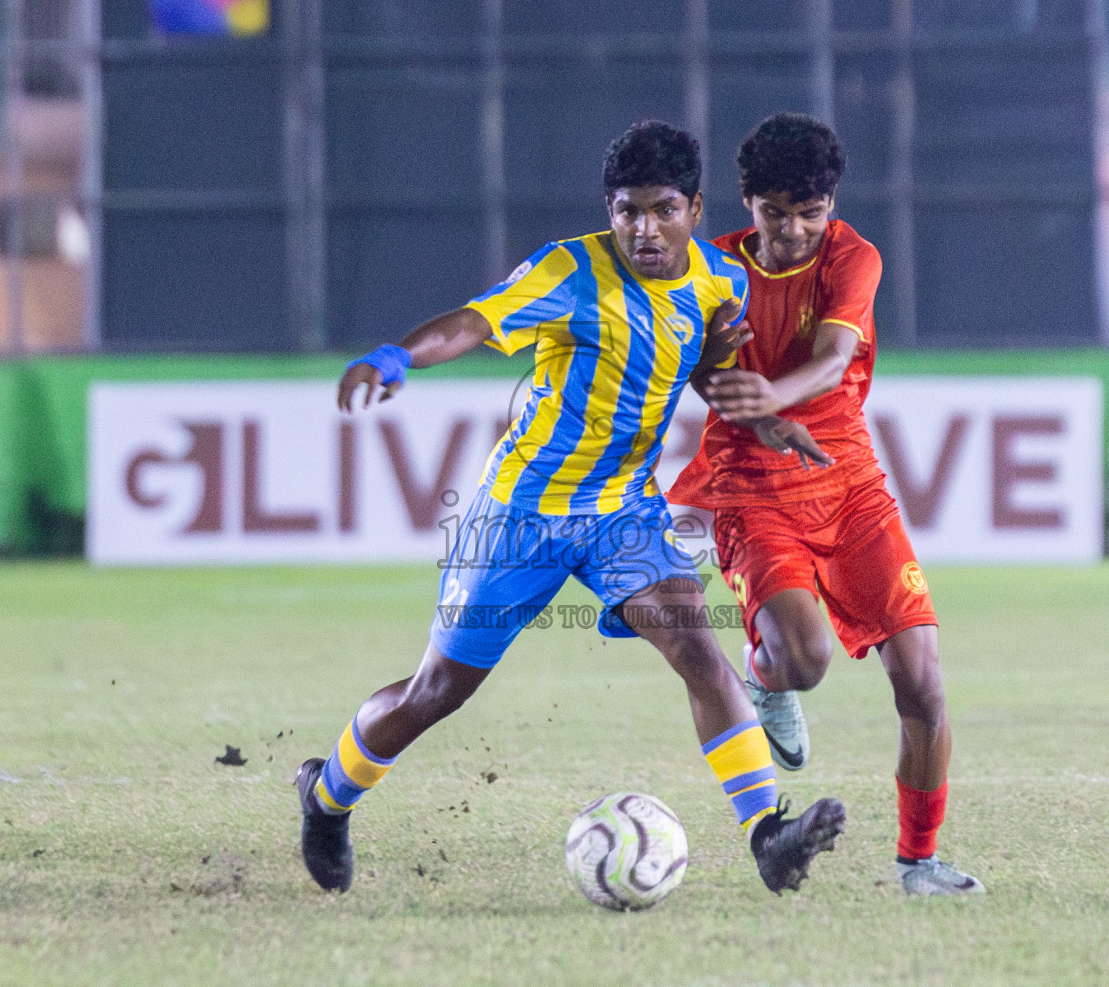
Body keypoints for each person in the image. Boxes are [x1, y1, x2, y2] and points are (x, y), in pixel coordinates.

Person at [298, 120, 846, 896]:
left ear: (694, 208)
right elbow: (472, 322)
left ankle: (767, 835)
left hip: (622, 511)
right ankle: (326, 797)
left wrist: (765, 419)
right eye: (626, 211)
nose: (642, 229)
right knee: (438, 692)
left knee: (698, 647)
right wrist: (396, 357)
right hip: (522, 516)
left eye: (661, 210)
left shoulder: (722, 281)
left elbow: (702, 368)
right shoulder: (569, 271)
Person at [668, 113, 985, 896]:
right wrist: (749, 410)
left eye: (812, 212)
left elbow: (835, 355)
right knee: (804, 664)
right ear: (748, 204)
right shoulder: (713, 271)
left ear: (830, 205)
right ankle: (766, 675)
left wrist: (770, 396)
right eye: (777, 214)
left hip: (850, 484)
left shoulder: (854, 256)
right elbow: (700, 367)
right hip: (753, 488)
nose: (796, 231)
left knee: (923, 682)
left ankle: (919, 862)